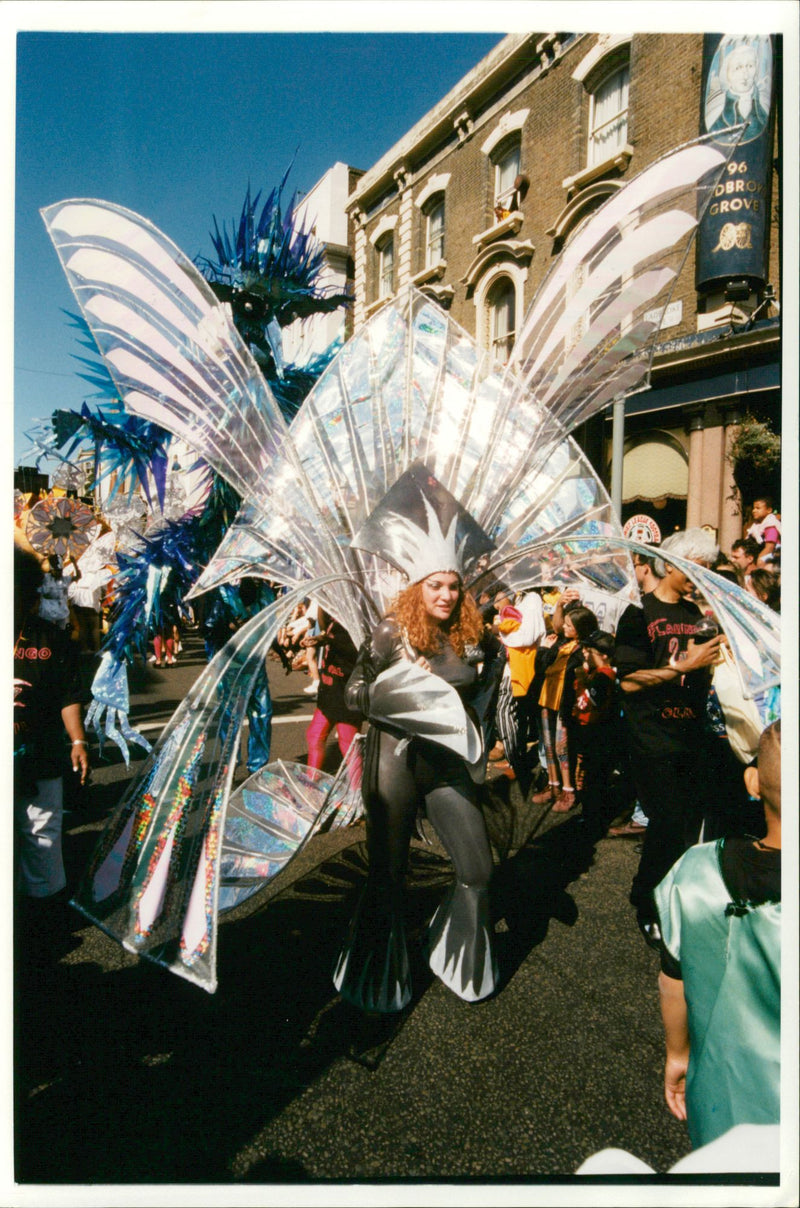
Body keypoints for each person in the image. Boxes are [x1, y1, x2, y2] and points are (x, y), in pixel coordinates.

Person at [335, 566, 503, 1013]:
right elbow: (352, 693)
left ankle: (450, 952)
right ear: (416, 589)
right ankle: (374, 973)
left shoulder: (471, 632)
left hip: (446, 764)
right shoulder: (394, 631)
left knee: (478, 870)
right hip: (395, 759)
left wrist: (478, 718)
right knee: (389, 874)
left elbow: (497, 661)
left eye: (454, 587)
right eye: (435, 586)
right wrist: (400, 683)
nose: (446, 595)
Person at [655, 720, 780, 1149]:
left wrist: (677, 1054)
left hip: (728, 1101)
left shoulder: (697, 871)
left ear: (753, 782)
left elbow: (675, 980)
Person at [614, 528, 724, 947]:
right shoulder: (638, 613)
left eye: (710, 567)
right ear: (674, 563)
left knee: (684, 826)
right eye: (699, 566)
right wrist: (682, 667)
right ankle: (648, 902)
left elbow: (709, 668)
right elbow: (628, 682)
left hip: (691, 735)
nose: (704, 574)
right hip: (650, 736)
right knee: (667, 820)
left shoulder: (700, 613)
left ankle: (668, 896)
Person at [14, 545, 90, 902]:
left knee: (42, 834)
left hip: (41, 752)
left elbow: (68, 694)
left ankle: (45, 912)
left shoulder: (52, 637)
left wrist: (78, 741)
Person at [533, 599, 598, 811]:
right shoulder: (560, 642)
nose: (564, 628)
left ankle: (568, 791)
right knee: (549, 743)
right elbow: (541, 667)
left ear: (580, 628)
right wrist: (544, 649)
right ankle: (553, 785)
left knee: (563, 746)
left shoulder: (585, 649)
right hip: (547, 697)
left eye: (570, 625)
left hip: (565, 701)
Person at [303, 613, 364, 776]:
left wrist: (327, 639)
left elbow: (356, 649)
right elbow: (324, 629)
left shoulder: (355, 619)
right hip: (329, 690)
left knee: (348, 745)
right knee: (314, 736)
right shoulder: (332, 619)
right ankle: (311, 783)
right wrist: (319, 638)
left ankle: (358, 793)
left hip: (347, 691)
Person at [746, 497, 780, 565]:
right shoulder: (755, 525)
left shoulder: (771, 524)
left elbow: (769, 548)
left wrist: (759, 561)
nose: (754, 511)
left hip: (770, 559)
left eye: (758, 508)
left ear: (769, 510)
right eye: (753, 508)